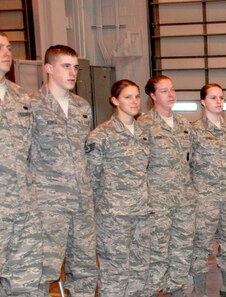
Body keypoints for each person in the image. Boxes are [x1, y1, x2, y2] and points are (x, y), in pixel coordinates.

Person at [32, 45, 99, 297]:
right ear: (48, 68)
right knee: (44, 269)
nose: (73, 72)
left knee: (84, 268)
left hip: (81, 202)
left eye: (75, 67)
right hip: (49, 204)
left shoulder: (82, 107)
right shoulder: (32, 106)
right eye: (65, 66)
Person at [86, 79, 152, 296]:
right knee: (115, 272)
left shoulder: (143, 131)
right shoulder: (102, 135)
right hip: (114, 215)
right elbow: (91, 177)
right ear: (114, 101)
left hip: (141, 212)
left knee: (140, 268)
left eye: (136, 96)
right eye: (127, 97)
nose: (134, 101)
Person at [188, 83, 226, 297]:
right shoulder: (194, 130)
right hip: (205, 198)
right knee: (201, 244)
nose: (218, 102)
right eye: (213, 98)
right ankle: (200, 289)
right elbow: (187, 164)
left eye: (221, 98)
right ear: (203, 102)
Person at [140, 75, 196, 296]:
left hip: (184, 199)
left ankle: (176, 287)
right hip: (158, 200)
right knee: (157, 249)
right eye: (164, 91)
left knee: (182, 247)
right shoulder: (143, 125)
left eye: (172, 90)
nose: (171, 94)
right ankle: (153, 289)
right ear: (152, 95)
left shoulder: (183, 124)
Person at [0, 32, 44, 296]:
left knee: (26, 279)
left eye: (8, 47)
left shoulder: (22, 97)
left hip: (23, 206)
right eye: (0, 48)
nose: (7, 52)